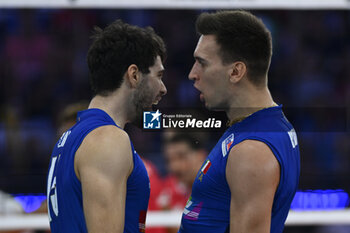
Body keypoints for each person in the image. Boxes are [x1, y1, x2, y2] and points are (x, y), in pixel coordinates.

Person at [179, 10, 300, 233]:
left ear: (236, 71)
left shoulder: (252, 150)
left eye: (202, 63)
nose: (192, 74)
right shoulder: (262, 126)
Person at [47, 19, 167, 233]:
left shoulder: (70, 138)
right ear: (134, 75)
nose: (163, 88)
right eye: (158, 76)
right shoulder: (108, 139)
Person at [158, 133, 207, 233]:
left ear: (200, 155)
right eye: (169, 160)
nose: (174, 167)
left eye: (182, 157)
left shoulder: (219, 190)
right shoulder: (168, 187)